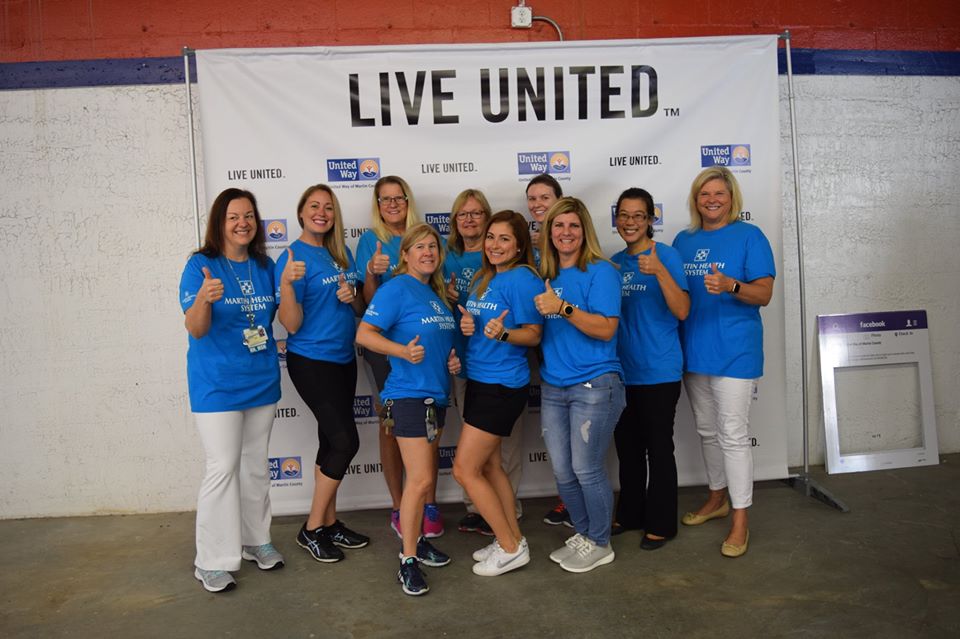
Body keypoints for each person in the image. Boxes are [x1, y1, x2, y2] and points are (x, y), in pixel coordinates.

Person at [179, 188, 283, 593]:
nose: (243, 223)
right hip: (216, 385)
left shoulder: (263, 264)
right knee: (223, 466)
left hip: (260, 380)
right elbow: (196, 329)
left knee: (255, 465)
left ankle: (256, 540)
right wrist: (203, 299)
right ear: (219, 223)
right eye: (233, 216)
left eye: (249, 216)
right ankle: (211, 560)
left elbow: (277, 314)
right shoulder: (200, 265)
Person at [672, 166, 775, 558]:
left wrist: (731, 285)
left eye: (719, 194)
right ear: (695, 199)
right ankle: (716, 498)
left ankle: (740, 519)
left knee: (732, 434)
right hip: (695, 350)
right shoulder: (684, 240)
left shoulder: (750, 236)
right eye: (704, 194)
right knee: (707, 430)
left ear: (732, 198)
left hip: (736, 352)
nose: (712, 200)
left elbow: (764, 293)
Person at [355, 223, 461, 596]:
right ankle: (407, 560)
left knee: (425, 479)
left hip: (436, 397)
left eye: (433, 246)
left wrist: (450, 361)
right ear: (405, 254)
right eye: (420, 247)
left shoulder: (435, 295)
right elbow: (364, 334)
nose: (428, 252)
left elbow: (437, 342)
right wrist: (401, 352)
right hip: (408, 396)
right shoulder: (395, 288)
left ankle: (419, 542)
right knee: (418, 481)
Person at [275, 184, 369, 564]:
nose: (321, 213)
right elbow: (292, 324)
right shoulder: (292, 258)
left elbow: (359, 308)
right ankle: (312, 528)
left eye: (328, 207)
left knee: (330, 443)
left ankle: (329, 523)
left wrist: (353, 296)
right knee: (346, 443)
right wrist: (286, 285)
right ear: (301, 213)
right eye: (314, 206)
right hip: (311, 362)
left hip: (344, 359)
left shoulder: (340, 253)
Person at [533, 197, 625, 573]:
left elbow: (606, 329)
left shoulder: (601, 272)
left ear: (584, 230)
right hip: (554, 387)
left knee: (587, 469)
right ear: (549, 232)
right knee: (563, 471)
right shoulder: (546, 274)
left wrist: (564, 308)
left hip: (595, 385)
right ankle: (585, 534)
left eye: (573, 225)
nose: (565, 232)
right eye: (558, 226)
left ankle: (601, 542)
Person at [452, 211, 543, 576]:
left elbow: (534, 334)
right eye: (491, 237)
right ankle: (513, 538)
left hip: (502, 385)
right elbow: (483, 326)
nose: (494, 244)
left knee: (464, 469)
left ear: (520, 244)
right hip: (480, 380)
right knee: (489, 466)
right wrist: (470, 326)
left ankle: (508, 547)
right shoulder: (486, 277)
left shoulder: (522, 279)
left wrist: (503, 334)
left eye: (504, 238)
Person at [355, 176, 443, 538]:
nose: (392, 204)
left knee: (430, 424)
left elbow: (437, 292)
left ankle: (427, 502)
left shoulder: (428, 238)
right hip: (389, 349)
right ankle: (399, 505)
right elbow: (368, 304)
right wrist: (373, 274)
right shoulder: (370, 242)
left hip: (426, 347)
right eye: (384, 199)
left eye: (398, 198)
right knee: (392, 425)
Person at [609, 188, 689, 550]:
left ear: (651, 220)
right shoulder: (612, 262)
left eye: (637, 216)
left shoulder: (667, 255)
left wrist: (659, 272)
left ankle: (661, 523)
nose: (629, 222)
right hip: (622, 372)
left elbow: (683, 309)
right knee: (627, 448)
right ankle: (631, 514)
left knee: (658, 448)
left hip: (659, 370)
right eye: (623, 215)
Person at [524, 174, 572, 528]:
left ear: (559, 197)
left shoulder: (572, 237)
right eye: (532, 198)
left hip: (574, 346)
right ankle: (566, 500)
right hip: (542, 343)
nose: (538, 204)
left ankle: (573, 502)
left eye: (545, 197)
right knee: (556, 431)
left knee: (577, 433)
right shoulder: (528, 245)